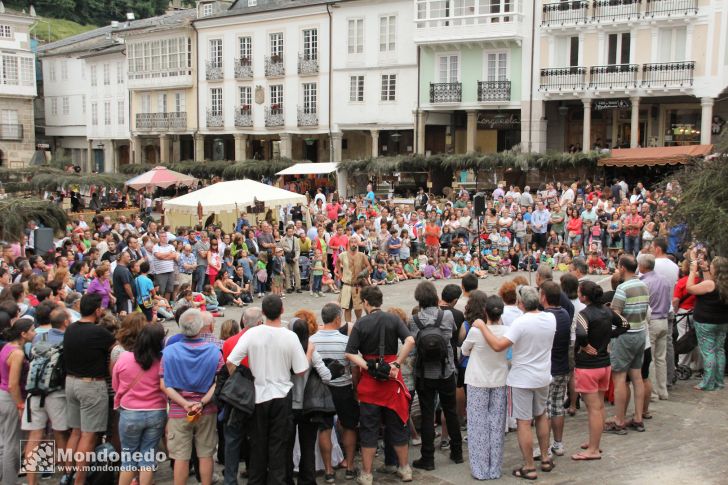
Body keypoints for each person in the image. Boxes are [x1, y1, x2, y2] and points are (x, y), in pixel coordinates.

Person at [471, 285, 556, 480]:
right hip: (543, 375)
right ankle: (545, 457)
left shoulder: (521, 322)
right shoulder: (549, 318)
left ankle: (529, 466)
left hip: (523, 378)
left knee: (524, 422)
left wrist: (483, 326)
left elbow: (498, 345)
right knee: (542, 415)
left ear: (521, 303)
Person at [226, 295, 311, 484]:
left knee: (257, 446)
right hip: (281, 395)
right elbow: (301, 369)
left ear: (263, 313)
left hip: (257, 395)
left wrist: (244, 378)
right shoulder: (290, 336)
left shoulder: (252, 333)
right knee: (279, 447)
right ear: (282, 310)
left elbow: (231, 363)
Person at [344, 286, 415, 485]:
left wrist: (367, 365)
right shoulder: (393, 319)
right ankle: (404, 468)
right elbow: (410, 340)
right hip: (392, 380)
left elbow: (349, 353)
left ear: (366, 302)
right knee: (398, 426)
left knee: (369, 429)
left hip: (370, 383)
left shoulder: (361, 323)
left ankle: (367, 474)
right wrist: (397, 363)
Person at [161, 308, 223, 485]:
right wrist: (201, 402)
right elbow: (218, 382)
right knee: (205, 454)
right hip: (206, 409)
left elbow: (165, 385)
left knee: (180, 456)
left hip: (179, 410)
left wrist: (185, 403)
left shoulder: (169, 352)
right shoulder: (214, 351)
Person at [572, 280, 628, 461]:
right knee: (599, 406)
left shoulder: (584, 314)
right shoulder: (607, 310)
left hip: (588, 366)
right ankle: (594, 442)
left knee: (593, 408)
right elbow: (625, 325)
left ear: (584, 296)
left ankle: (593, 449)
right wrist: (608, 336)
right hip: (604, 364)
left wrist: (586, 345)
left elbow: (580, 333)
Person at [409, 281, 463, 470]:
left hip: (424, 374)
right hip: (446, 370)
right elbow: (449, 337)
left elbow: (415, 345)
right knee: (451, 411)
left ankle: (428, 458)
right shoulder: (446, 316)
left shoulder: (414, 320)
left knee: (427, 413)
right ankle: (457, 453)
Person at [63, 293, 115, 485]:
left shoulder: (70, 329)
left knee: (75, 432)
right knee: (88, 435)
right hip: (90, 385)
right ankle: (79, 480)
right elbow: (115, 351)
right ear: (97, 310)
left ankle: (67, 475)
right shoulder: (99, 332)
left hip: (71, 382)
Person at [309, 303, 360, 480]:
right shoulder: (346, 341)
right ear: (338, 319)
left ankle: (329, 470)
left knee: (324, 428)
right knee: (349, 426)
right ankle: (350, 466)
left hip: (321, 390)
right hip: (343, 388)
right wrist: (356, 388)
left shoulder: (312, 341)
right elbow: (354, 369)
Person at [112, 323, 167, 485]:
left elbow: (116, 386)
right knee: (148, 458)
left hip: (130, 412)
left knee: (128, 458)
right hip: (156, 412)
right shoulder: (161, 361)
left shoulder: (124, 358)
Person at [461, 292, 509, 480]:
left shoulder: (476, 331)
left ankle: (480, 469)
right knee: (496, 424)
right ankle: (494, 468)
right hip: (499, 380)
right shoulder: (507, 331)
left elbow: (465, 350)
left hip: (477, 380)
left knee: (478, 425)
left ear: (485, 312)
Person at [22, 308, 71, 485]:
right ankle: (68, 476)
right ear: (65, 322)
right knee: (61, 434)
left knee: (34, 438)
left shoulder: (38, 338)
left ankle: (31, 481)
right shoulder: (67, 340)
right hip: (56, 392)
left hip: (34, 392)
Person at [287, 318, 332, 485]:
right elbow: (327, 376)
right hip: (309, 405)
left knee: (286, 447)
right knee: (308, 446)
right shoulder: (311, 350)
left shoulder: (287, 351)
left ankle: (287, 479)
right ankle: (307, 481)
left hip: (289, 405)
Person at [607, 254, 648, 434]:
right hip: (640, 333)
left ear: (622, 267)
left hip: (625, 335)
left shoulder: (622, 288)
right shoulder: (643, 285)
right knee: (637, 377)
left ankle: (619, 419)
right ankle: (638, 417)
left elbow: (615, 314)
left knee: (620, 378)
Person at [0, 318, 35, 484]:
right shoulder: (18, 353)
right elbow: (13, 383)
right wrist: (20, 404)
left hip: (4, 395)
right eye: (32, 330)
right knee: (12, 444)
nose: (34, 333)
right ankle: (9, 481)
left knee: (5, 441)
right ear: (23, 333)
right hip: (11, 398)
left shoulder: (7, 347)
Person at [539, 281, 572, 458]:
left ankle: (544, 447)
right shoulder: (565, 313)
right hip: (562, 366)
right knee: (558, 406)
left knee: (545, 409)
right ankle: (558, 444)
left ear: (544, 296)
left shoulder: (546, 317)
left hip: (549, 368)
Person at [687, 256, 728, 391]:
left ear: (715, 269)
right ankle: (719, 381)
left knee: (708, 351)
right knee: (719, 350)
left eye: (711, 266)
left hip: (706, 322)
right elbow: (709, 285)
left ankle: (708, 382)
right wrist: (705, 270)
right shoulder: (723, 284)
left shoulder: (710, 284)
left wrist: (693, 272)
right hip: (722, 322)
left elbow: (690, 289)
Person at [638, 253, 672, 401]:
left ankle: (652, 392)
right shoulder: (664, 280)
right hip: (664, 320)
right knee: (660, 358)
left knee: (650, 358)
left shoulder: (644, 283)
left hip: (652, 321)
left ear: (643, 266)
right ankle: (662, 390)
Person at [336, 237, 372, 323]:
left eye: (355, 242)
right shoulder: (343, 255)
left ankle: (358, 323)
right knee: (347, 308)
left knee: (358, 308)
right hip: (347, 285)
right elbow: (337, 262)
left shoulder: (361, 255)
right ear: (349, 244)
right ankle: (348, 325)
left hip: (357, 286)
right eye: (351, 242)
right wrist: (340, 274)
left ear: (357, 244)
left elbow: (369, 266)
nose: (353, 244)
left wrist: (363, 272)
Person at [152, 232, 177, 301]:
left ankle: (166, 306)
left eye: (165, 236)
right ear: (159, 238)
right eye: (162, 236)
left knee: (169, 290)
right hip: (160, 272)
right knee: (160, 291)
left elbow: (174, 256)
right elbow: (158, 256)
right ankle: (161, 306)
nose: (164, 238)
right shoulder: (155, 247)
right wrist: (169, 253)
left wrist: (163, 257)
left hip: (170, 271)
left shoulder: (171, 246)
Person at [282, 225, 302, 293]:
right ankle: (288, 287)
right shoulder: (283, 239)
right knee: (287, 273)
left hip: (295, 258)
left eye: (292, 231)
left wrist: (296, 257)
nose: (290, 233)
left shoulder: (296, 239)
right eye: (289, 232)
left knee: (297, 272)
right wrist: (287, 250)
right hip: (287, 258)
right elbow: (282, 248)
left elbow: (298, 249)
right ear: (286, 232)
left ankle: (298, 287)